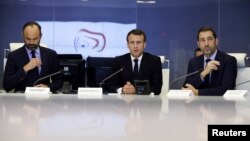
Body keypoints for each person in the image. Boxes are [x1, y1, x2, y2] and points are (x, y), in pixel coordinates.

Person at [3, 21, 63, 93]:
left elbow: (59, 81)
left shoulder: (50, 54)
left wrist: (48, 87)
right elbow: (7, 85)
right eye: (28, 39)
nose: (31, 42)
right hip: (21, 100)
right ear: (23, 35)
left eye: (35, 39)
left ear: (40, 36)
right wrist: (25, 68)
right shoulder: (13, 56)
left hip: (44, 99)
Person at [183, 26, 237, 96]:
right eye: (202, 40)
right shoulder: (193, 62)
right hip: (197, 105)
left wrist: (198, 92)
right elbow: (186, 87)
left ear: (216, 41)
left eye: (210, 39)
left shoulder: (229, 61)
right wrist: (203, 74)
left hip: (222, 105)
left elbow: (227, 89)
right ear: (198, 44)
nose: (206, 44)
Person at [107, 29, 162, 95]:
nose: (135, 46)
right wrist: (122, 90)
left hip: (146, 103)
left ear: (144, 44)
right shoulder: (118, 61)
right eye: (132, 42)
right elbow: (110, 85)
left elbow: (157, 88)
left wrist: (136, 90)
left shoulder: (154, 61)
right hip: (123, 103)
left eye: (138, 42)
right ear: (128, 45)